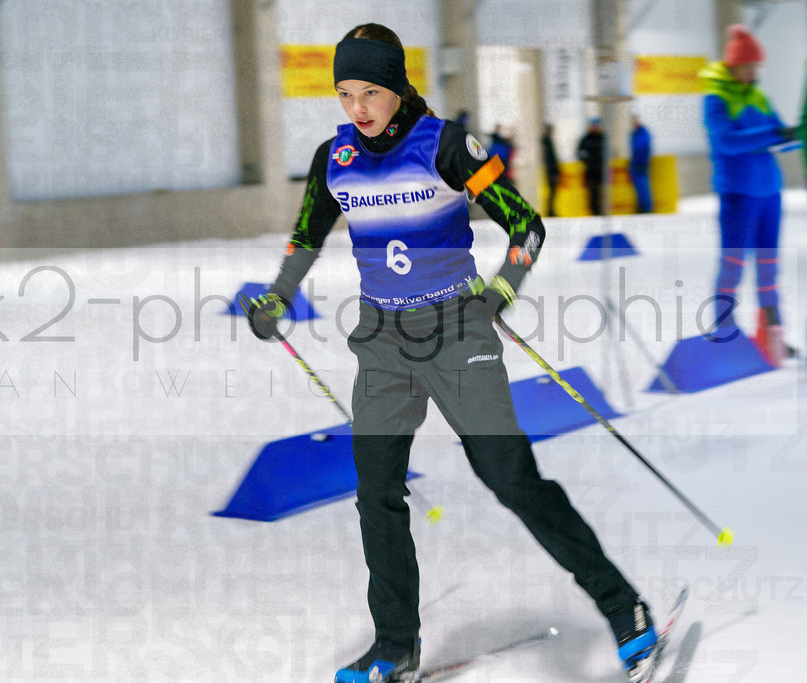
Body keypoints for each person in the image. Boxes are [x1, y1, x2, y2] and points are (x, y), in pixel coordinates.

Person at [244, 23, 657, 683]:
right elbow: (305, 237)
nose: (357, 108)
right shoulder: (334, 159)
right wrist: (276, 297)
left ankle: (624, 607)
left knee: (510, 477)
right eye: (345, 94)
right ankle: (394, 646)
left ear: (397, 84)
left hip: (457, 334)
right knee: (376, 491)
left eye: (369, 91)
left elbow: (526, 223)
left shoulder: (445, 145)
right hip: (382, 341)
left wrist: (501, 291)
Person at [699, 24, 803, 365]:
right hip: (739, 195)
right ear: (733, 65)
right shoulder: (717, 99)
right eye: (749, 67)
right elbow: (727, 142)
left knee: (769, 268)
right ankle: (723, 333)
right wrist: (775, 132)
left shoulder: (759, 96)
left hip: (769, 193)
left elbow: (781, 137)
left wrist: (796, 133)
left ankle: (774, 338)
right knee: (733, 265)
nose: (754, 73)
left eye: (756, 67)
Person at [577, 117, 606, 215]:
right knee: (592, 193)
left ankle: (601, 211)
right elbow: (579, 153)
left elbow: (608, 152)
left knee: (601, 192)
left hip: (601, 170)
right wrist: (587, 161)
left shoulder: (602, 138)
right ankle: (594, 212)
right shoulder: (585, 139)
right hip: (590, 171)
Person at [630, 114, 653, 213]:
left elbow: (641, 148)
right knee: (639, 187)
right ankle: (642, 206)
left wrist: (638, 160)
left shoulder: (642, 133)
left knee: (643, 186)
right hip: (636, 163)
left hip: (641, 163)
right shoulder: (635, 133)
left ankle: (646, 207)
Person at [541, 122, 561, 216]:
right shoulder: (548, 144)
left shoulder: (546, 143)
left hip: (550, 172)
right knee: (552, 192)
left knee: (551, 192)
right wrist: (554, 173)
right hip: (551, 172)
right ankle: (550, 211)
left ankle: (551, 210)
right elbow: (551, 160)